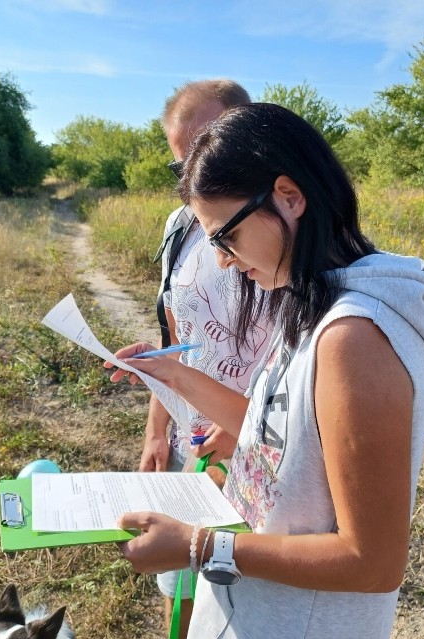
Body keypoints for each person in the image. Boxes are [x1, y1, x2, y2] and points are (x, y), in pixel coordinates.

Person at [106, 103, 424, 637]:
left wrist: (200, 546)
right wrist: (172, 374)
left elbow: (372, 561)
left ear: (289, 198)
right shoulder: (310, 301)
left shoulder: (355, 339)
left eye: (224, 236)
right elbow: (275, 431)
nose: (224, 260)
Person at [144, 80, 274, 638]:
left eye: (204, 149)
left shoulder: (279, 231)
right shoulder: (179, 228)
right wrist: (157, 431)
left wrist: (240, 424)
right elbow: (177, 333)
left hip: (257, 449)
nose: (193, 174)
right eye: (181, 164)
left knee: (237, 600)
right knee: (179, 591)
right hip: (187, 445)